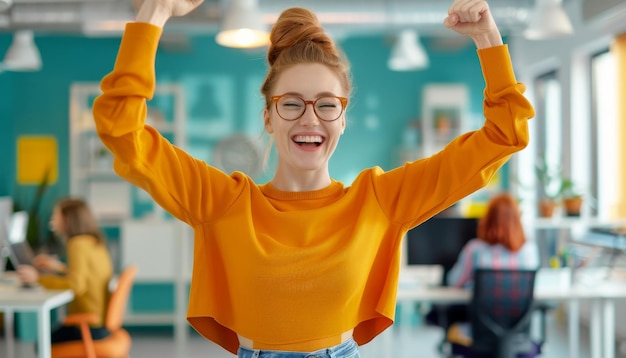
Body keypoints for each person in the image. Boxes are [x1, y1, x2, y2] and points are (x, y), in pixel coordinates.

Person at [92, 0, 534, 355]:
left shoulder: (379, 200)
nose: (310, 119)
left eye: (327, 104)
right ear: (268, 117)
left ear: (343, 119)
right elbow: (122, 130)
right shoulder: (223, 202)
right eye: (292, 103)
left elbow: (503, 136)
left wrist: (488, 39)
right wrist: (153, 12)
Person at [17, 198, 113, 344]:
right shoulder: (93, 241)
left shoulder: (76, 244)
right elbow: (88, 276)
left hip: (87, 326)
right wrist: (58, 267)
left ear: (67, 220)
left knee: (42, 344)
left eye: (56, 215)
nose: (52, 219)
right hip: (100, 323)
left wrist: (37, 279)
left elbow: (77, 285)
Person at [447, 193, 541, 289]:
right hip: (519, 304)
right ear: (517, 220)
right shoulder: (530, 249)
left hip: (483, 304)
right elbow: (533, 285)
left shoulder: (474, 249)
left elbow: (455, 281)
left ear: (488, 219)